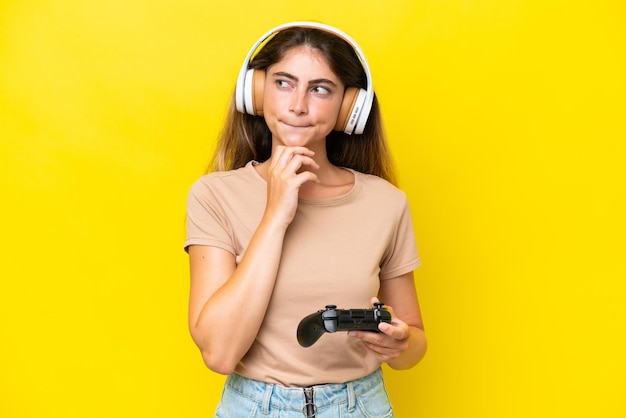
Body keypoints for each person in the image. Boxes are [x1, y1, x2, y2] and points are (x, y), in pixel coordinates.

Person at [184, 21, 427, 417]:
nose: (298, 104)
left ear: (349, 108)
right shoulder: (214, 195)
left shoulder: (387, 203)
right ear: (257, 92)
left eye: (320, 89)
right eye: (283, 83)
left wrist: (401, 344)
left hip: (359, 406)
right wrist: (276, 215)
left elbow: (414, 344)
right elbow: (219, 353)